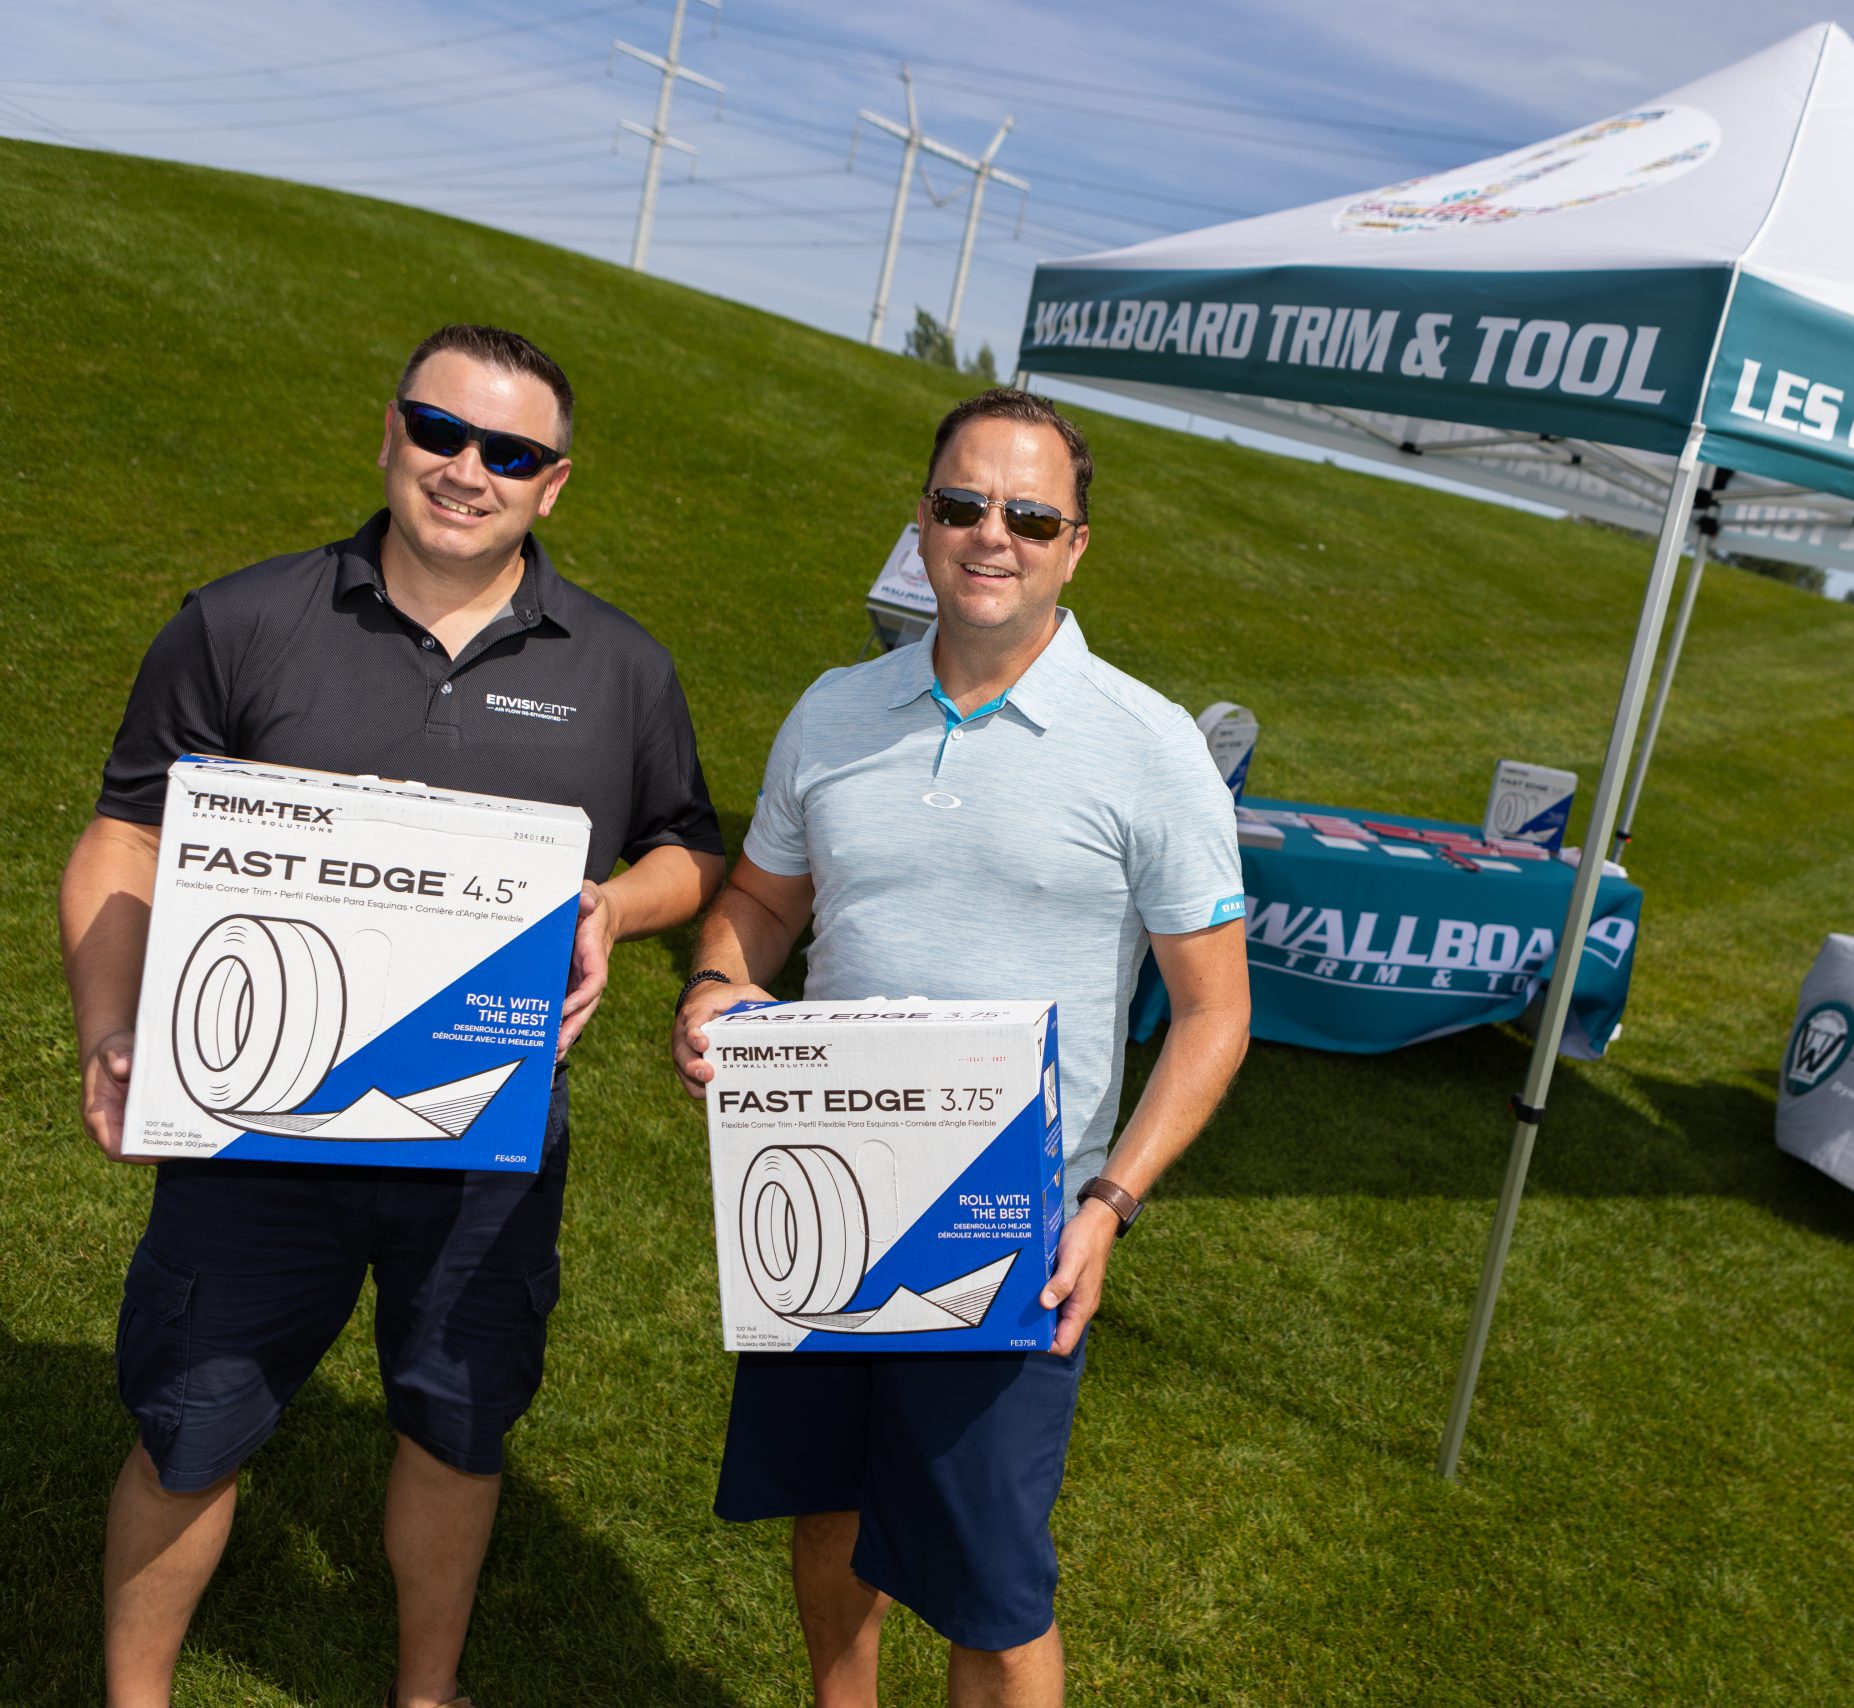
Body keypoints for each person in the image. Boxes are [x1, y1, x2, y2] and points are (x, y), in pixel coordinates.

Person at [59, 325, 727, 1708]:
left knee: (457, 1426)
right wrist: (110, 1027)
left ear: (554, 484)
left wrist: (614, 906)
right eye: (440, 430)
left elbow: (689, 847)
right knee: (191, 1429)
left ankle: (427, 1695)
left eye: (511, 453)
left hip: (485, 1133)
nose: (467, 470)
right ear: (389, 431)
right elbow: (126, 835)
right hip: (253, 1126)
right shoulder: (245, 620)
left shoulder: (621, 667)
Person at [671, 387, 1251, 1708]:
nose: (994, 535)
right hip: (824, 1191)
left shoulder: (1150, 746)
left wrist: (1109, 1204)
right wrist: (715, 980)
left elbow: (1216, 1012)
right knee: (830, 1510)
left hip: (1018, 1231)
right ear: (922, 522)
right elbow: (762, 902)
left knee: (991, 1588)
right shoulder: (834, 711)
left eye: (1031, 517)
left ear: (1075, 547)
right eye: (963, 504)